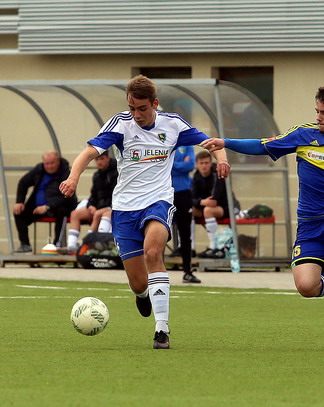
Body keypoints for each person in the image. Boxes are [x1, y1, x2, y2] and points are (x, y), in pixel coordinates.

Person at [201, 84, 324, 351]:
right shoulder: (303, 134)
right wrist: (226, 143)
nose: (318, 117)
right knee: (307, 287)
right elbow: (262, 146)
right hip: (309, 225)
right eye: (317, 111)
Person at [60, 75, 230, 349]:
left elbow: (210, 143)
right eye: (132, 108)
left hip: (158, 201)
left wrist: (222, 160)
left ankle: (162, 330)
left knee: (153, 252)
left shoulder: (172, 124)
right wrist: (72, 177)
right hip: (125, 208)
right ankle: (142, 295)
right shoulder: (120, 124)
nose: (136, 114)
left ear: (155, 104)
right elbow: (89, 152)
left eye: (142, 108)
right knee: (139, 283)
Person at [13, 151, 78, 253]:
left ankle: (57, 245)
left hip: (57, 207)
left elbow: (68, 197)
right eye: (46, 164)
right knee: (19, 212)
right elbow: (23, 183)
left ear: (58, 161)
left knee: (62, 211)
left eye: (52, 163)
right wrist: (19, 201)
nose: (49, 166)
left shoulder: (65, 173)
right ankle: (25, 245)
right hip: (37, 208)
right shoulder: (39, 169)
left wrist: (48, 206)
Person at [66, 151, 118, 253]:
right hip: (98, 208)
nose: (99, 162)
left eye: (102, 159)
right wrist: (91, 205)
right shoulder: (96, 175)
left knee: (102, 214)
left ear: (108, 158)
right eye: (97, 159)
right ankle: (71, 246)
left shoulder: (116, 173)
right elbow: (93, 195)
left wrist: (104, 207)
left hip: (111, 208)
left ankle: (100, 242)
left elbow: (115, 195)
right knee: (75, 214)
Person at [192, 149, 240, 259]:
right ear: (196, 165)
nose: (204, 166)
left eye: (206, 163)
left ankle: (213, 247)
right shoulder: (196, 176)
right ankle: (190, 248)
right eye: (201, 163)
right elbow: (192, 199)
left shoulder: (217, 174)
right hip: (207, 206)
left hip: (229, 207)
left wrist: (201, 202)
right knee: (190, 210)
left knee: (208, 210)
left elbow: (213, 201)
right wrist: (202, 202)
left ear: (211, 163)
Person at [171, 145, 202, 283]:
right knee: (158, 231)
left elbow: (190, 165)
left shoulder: (187, 144)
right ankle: (154, 273)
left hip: (183, 193)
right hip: (164, 192)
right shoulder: (164, 141)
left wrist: (171, 163)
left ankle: (187, 272)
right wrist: (180, 164)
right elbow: (160, 164)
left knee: (185, 234)